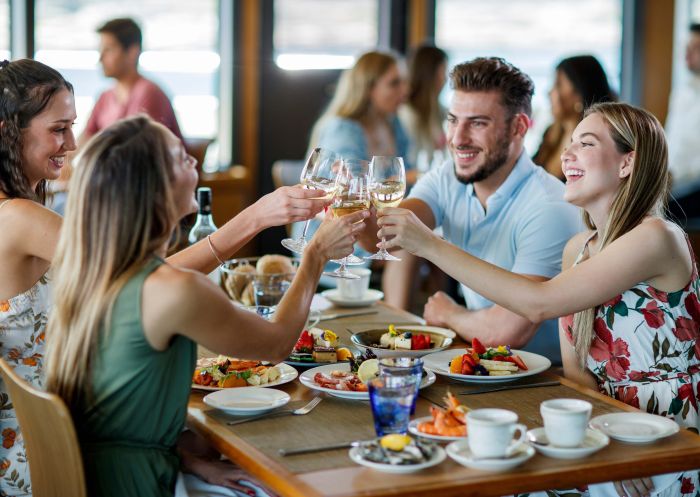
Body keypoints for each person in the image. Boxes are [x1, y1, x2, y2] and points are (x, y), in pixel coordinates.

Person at [0, 58, 332, 496]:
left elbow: (140, 284)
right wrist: (266, 224)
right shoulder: (20, 218)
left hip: (66, 442)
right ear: (7, 132)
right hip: (54, 457)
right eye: (58, 129)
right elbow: (146, 284)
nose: (73, 142)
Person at [376, 101, 699, 496]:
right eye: (570, 143)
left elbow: (538, 303)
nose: (567, 154)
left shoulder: (656, 237)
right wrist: (604, 436)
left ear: (627, 163)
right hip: (603, 426)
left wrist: (429, 245)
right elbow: (579, 374)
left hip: (669, 434)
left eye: (586, 143)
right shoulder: (578, 248)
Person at [44, 115, 367, 497]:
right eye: (181, 158)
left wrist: (190, 459)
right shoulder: (175, 290)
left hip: (106, 471)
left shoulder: (94, 273)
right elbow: (277, 344)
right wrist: (315, 256)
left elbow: (112, 414)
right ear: (155, 190)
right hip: (139, 484)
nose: (195, 163)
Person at [361, 57, 581, 364]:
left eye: (477, 123)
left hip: (544, 379)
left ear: (519, 127)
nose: (458, 138)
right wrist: (353, 212)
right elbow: (383, 237)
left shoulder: (549, 208)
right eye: (453, 120)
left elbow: (507, 332)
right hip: (479, 361)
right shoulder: (447, 176)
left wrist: (449, 313)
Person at [82, 17, 182, 142]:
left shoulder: (149, 93)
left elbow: (138, 153)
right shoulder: (105, 97)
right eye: (100, 50)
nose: (101, 58)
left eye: (108, 50)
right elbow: (82, 142)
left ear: (132, 52)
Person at [533, 55, 616, 180]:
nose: (549, 92)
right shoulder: (551, 132)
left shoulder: (597, 143)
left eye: (558, 84)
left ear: (579, 93)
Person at [666, 23, 700, 219]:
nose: (687, 52)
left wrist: (675, 175)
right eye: (686, 46)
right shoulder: (681, 92)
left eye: (696, 47)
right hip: (673, 179)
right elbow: (671, 141)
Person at [398, 44, 448, 172]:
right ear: (431, 74)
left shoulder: (440, 111)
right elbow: (410, 163)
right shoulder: (407, 115)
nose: (446, 79)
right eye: (443, 71)